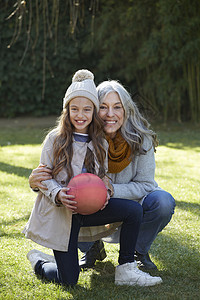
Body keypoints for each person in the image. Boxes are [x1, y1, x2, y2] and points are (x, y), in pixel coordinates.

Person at [24, 69, 163, 287]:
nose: (80, 115)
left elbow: (102, 176)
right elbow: (43, 176)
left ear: (93, 112)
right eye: (75, 109)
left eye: (87, 109)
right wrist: (58, 193)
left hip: (88, 212)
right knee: (68, 281)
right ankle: (41, 261)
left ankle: (127, 267)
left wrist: (105, 192)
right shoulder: (54, 139)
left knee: (133, 210)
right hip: (63, 215)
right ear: (66, 110)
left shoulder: (100, 142)